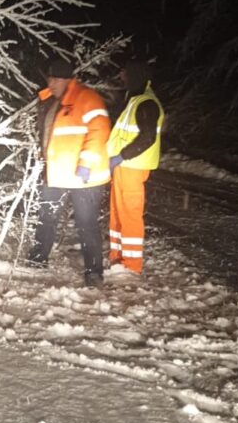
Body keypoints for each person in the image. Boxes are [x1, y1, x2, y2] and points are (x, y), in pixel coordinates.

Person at [28, 59, 111, 288]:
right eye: (49, 79)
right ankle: (37, 259)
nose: (50, 83)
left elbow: (99, 132)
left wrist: (86, 163)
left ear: (67, 79)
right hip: (57, 174)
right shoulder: (53, 102)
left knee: (86, 224)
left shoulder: (87, 98)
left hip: (85, 178)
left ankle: (94, 272)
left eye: (54, 79)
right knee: (47, 216)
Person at [107, 58, 164, 275]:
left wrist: (122, 156)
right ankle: (117, 258)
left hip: (132, 166)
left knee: (130, 215)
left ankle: (131, 266)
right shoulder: (135, 100)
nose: (122, 78)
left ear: (136, 75)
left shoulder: (147, 103)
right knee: (117, 214)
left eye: (125, 74)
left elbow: (147, 137)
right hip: (123, 168)